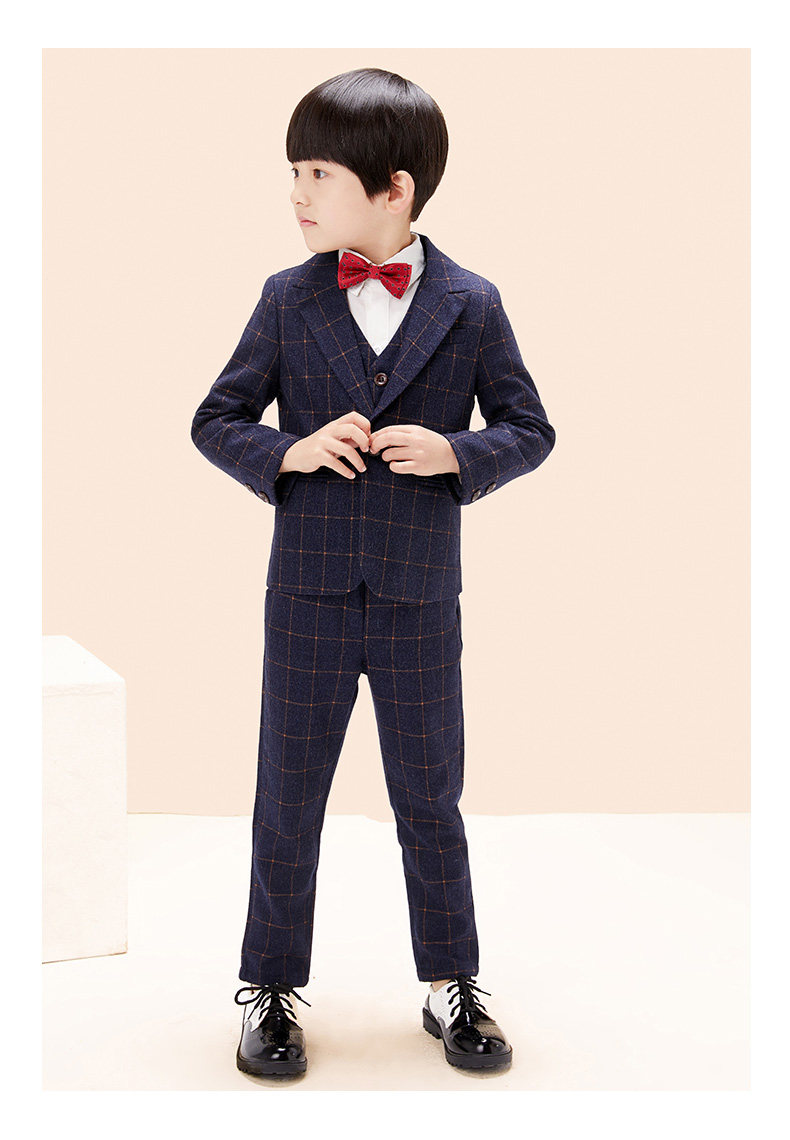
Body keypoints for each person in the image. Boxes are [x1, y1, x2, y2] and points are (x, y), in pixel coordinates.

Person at [191, 66, 556, 1079]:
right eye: (293, 171)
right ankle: (269, 989)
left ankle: (451, 985)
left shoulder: (471, 304)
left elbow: (530, 428)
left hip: (417, 598)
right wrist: (289, 450)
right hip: (305, 597)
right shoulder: (288, 297)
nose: (296, 192)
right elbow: (215, 419)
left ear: (394, 188)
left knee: (430, 800)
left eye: (317, 172)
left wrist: (457, 454)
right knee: (287, 796)